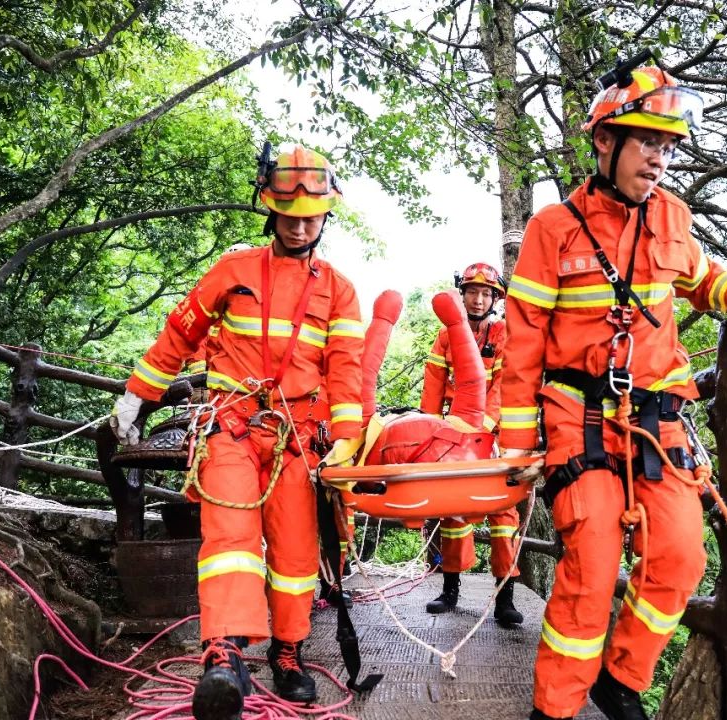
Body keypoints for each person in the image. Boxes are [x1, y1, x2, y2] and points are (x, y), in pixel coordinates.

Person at [497, 65, 727, 720]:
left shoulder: (673, 219)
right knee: (592, 566)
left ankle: (621, 679)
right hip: (578, 418)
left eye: (669, 147)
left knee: (681, 556)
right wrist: (519, 447)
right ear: (605, 141)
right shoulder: (554, 229)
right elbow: (521, 347)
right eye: (647, 143)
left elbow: (704, 278)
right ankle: (556, 708)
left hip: (658, 420)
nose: (660, 159)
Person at [110, 145, 365, 720]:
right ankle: (223, 654)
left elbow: (346, 373)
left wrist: (347, 439)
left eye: (312, 215)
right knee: (230, 538)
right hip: (231, 426)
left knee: (298, 554)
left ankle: (289, 650)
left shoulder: (340, 290)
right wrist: (138, 395)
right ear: (269, 209)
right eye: (290, 214)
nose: (301, 225)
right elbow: (179, 334)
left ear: (327, 215)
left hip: (299, 436)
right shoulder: (234, 271)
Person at [419, 262, 523, 627]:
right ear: (461, 295)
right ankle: (450, 590)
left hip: (496, 435)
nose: (478, 299)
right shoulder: (446, 337)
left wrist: (484, 428)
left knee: (502, 514)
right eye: (472, 292)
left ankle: (505, 596)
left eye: (485, 293)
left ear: (495, 298)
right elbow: (432, 386)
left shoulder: (505, 333)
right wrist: (429, 433)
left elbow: (506, 385)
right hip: (452, 436)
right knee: (453, 512)